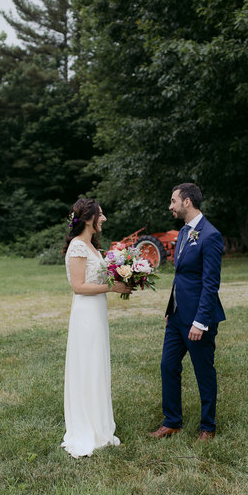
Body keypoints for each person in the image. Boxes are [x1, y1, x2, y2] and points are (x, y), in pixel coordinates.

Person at [150, 183, 226, 441]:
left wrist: (200, 322)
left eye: (173, 201)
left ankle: (208, 427)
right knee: (167, 366)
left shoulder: (210, 235)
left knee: (204, 372)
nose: (170, 206)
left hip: (198, 320)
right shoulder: (183, 233)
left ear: (187, 202)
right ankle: (172, 421)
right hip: (176, 316)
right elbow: (181, 275)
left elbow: (210, 284)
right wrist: (171, 308)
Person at [62, 198, 132, 458]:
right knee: (88, 364)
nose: (103, 219)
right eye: (100, 215)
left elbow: (100, 277)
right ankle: (85, 426)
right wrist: (112, 287)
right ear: (89, 218)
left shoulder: (92, 247)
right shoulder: (78, 247)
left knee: (97, 363)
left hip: (97, 312)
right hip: (85, 315)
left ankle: (100, 422)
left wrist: (127, 275)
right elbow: (78, 286)